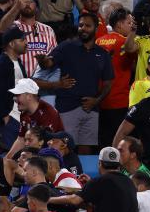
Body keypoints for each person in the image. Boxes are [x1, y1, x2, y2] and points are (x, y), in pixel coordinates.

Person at [39, 12, 114, 154]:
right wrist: (43, 60)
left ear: (96, 29)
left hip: (91, 108)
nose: (83, 28)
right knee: (65, 148)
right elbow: (48, 63)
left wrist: (96, 101)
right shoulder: (67, 47)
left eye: (87, 26)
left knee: (86, 148)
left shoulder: (102, 53)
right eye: (80, 25)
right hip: (67, 107)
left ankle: (82, 176)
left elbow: (108, 82)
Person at [96, 7, 137, 147]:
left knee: (104, 143)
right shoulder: (125, 42)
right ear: (119, 24)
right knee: (119, 145)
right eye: (129, 22)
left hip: (100, 101)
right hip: (120, 101)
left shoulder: (98, 42)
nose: (131, 26)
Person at [0, 0, 58, 78]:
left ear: (37, 7)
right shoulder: (13, 26)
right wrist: (16, 7)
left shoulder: (48, 29)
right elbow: (2, 29)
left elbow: (54, 56)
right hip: (18, 80)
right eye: (24, 2)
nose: (27, 4)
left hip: (43, 82)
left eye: (30, 2)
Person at [6, 78, 64, 159]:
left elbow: (48, 145)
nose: (14, 99)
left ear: (29, 96)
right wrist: (7, 158)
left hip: (52, 159)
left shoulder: (48, 113)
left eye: (18, 95)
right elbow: (21, 139)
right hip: (35, 156)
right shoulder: (24, 113)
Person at [0, 27, 28, 148]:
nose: (26, 42)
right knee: (8, 159)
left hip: (19, 119)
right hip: (8, 121)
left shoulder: (17, 63)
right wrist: (5, 118)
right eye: (22, 40)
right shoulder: (0, 65)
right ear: (11, 44)